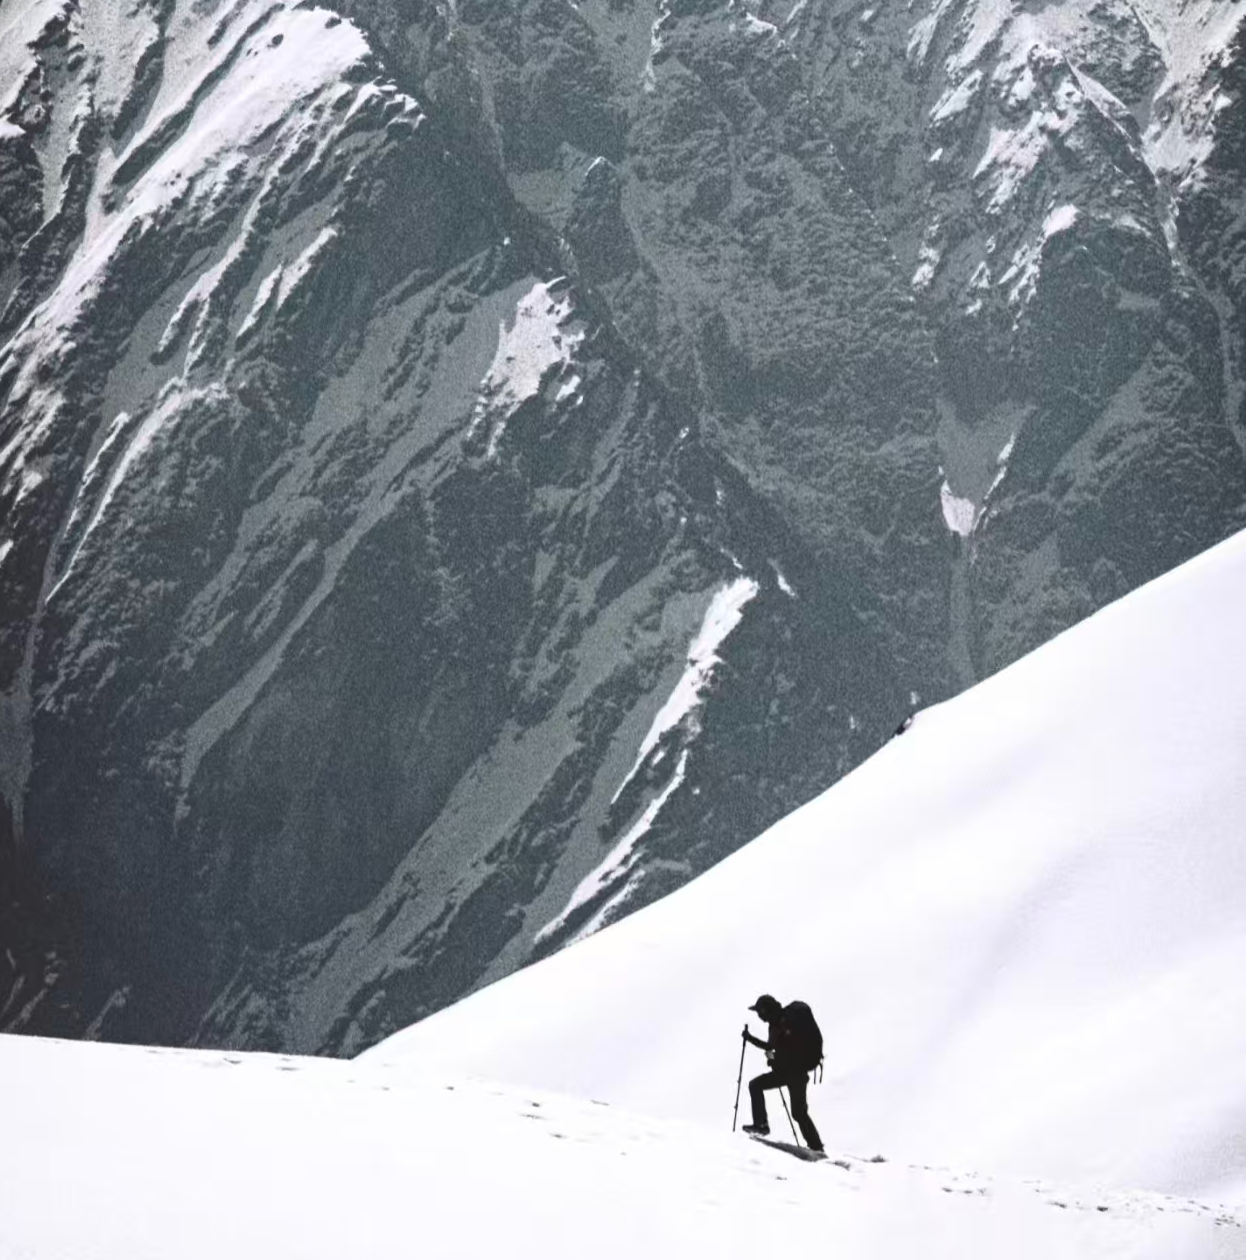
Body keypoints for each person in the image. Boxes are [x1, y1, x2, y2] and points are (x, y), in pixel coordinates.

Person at [741, 993, 825, 1153]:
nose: (758, 1016)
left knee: (758, 1087)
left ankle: (762, 1125)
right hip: (794, 1074)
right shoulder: (778, 1023)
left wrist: (772, 1058)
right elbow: (775, 1048)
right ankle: (816, 1146)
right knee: (799, 1113)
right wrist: (755, 1042)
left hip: (792, 1074)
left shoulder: (782, 1023)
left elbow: (780, 1050)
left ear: (766, 1010)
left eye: (759, 1012)